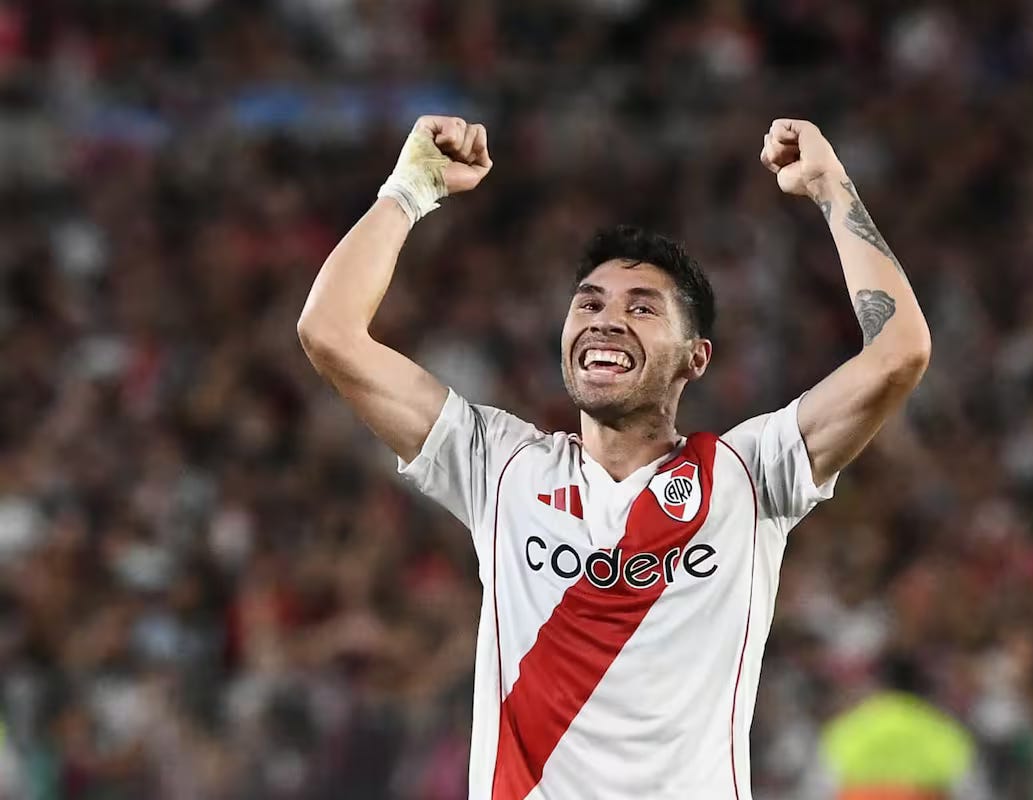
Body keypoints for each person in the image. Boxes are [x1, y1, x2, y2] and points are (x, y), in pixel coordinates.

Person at [297, 115, 931, 799]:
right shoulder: (499, 468)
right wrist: (409, 189)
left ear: (696, 358)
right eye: (589, 303)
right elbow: (329, 332)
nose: (605, 319)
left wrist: (832, 186)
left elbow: (899, 355)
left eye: (642, 309)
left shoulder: (749, 477)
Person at [803, 653, 989, 800]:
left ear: (878, 684)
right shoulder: (944, 730)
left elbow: (817, 789)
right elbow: (971, 790)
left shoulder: (846, 728)